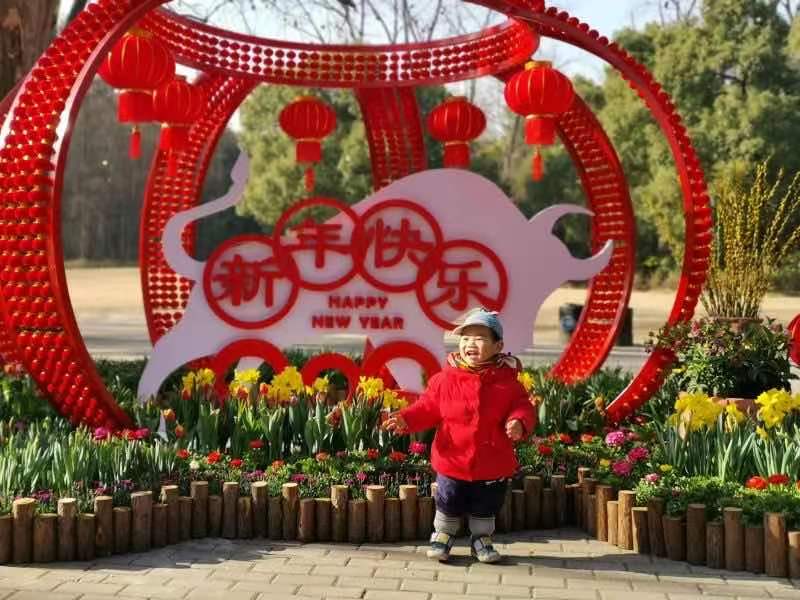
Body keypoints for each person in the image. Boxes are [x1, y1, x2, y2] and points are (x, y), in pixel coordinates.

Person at [384, 308, 536, 563]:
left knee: (486, 503)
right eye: (465, 338)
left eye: (480, 338)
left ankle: (482, 539)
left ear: (498, 346)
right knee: (448, 499)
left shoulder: (508, 383)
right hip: (452, 457)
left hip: (491, 459)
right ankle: (443, 535)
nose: (470, 343)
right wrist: (405, 419)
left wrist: (519, 422)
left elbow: (523, 407)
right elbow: (427, 407)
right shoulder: (445, 380)